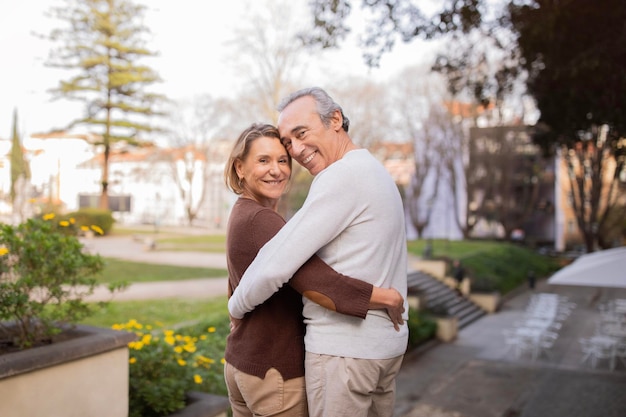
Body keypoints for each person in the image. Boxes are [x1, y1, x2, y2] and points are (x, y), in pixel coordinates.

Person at [228, 88, 409, 417]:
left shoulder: (340, 176)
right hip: (382, 346)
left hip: (346, 352)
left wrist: (235, 306)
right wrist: (387, 298)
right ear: (240, 168)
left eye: (300, 134)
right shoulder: (374, 171)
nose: (295, 151)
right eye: (288, 143)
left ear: (336, 119)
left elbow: (278, 265)